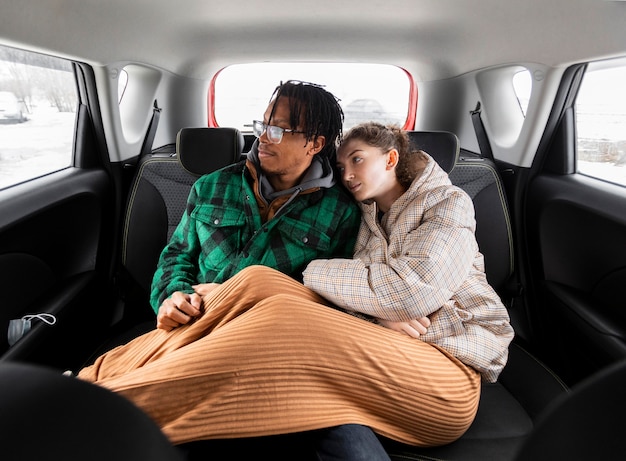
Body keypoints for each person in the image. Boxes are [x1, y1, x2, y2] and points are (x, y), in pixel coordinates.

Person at [78, 122, 513, 455]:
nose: (347, 174)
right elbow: (366, 300)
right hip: (386, 350)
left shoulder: (448, 205)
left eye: (358, 159)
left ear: (391, 157)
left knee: (281, 317)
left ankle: (86, 412)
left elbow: (409, 293)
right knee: (255, 280)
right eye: (341, 167)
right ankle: (90, 379)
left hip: (448, 366)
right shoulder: (363, 216)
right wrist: (374, 316)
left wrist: (318, 275)